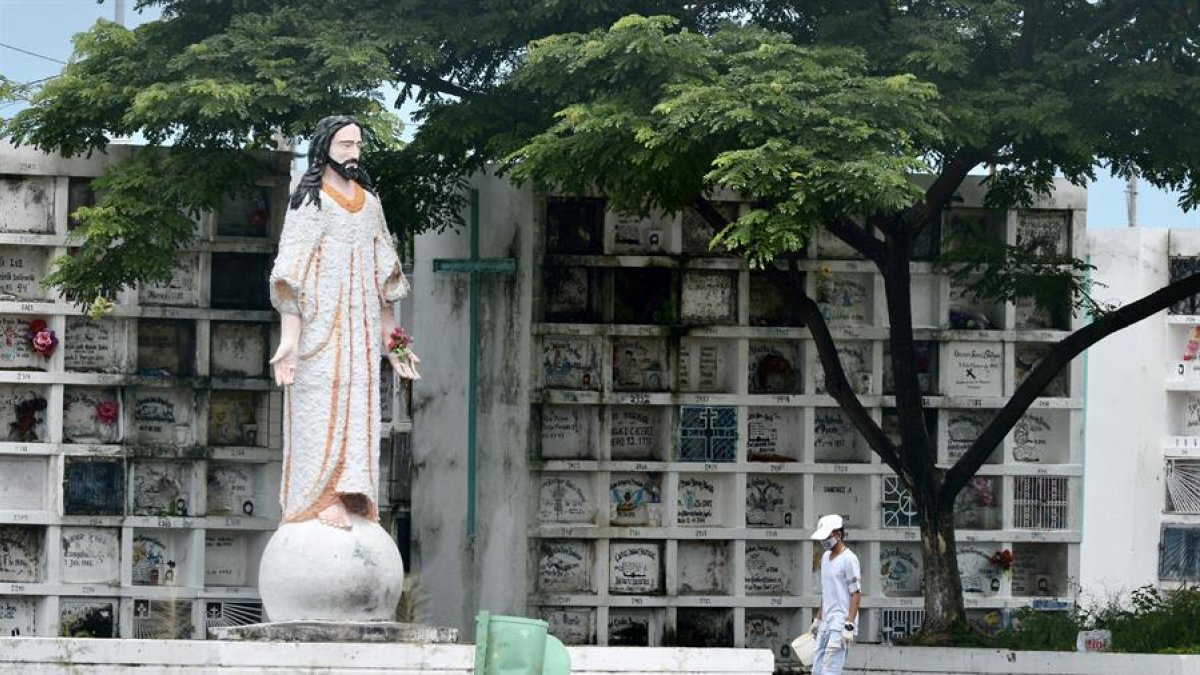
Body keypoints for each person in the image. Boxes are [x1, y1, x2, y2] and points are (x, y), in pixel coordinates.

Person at [269, 114, 419, 530]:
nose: (353, 154)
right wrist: (290, 340)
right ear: (325, 149)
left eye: (357, 146)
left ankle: (352, 490)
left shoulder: (370, 204)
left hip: (360, 332)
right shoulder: (309, 200)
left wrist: (396, 345)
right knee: (318, 410)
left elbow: (384, 275)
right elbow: (290, 274)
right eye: (344, 146)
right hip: (320, 330)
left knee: (359, 411)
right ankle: (319, 497)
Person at [809, 513, 861, 675]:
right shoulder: (825, 557)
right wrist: (818, 619)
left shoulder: (849, 559)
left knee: (830, 671)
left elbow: (856, 594)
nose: (824, 541)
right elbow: (827, 592)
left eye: (827, 536)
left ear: (838, 535)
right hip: (826, 622)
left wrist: (849, 625)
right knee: (817, 669)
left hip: (840, 624)